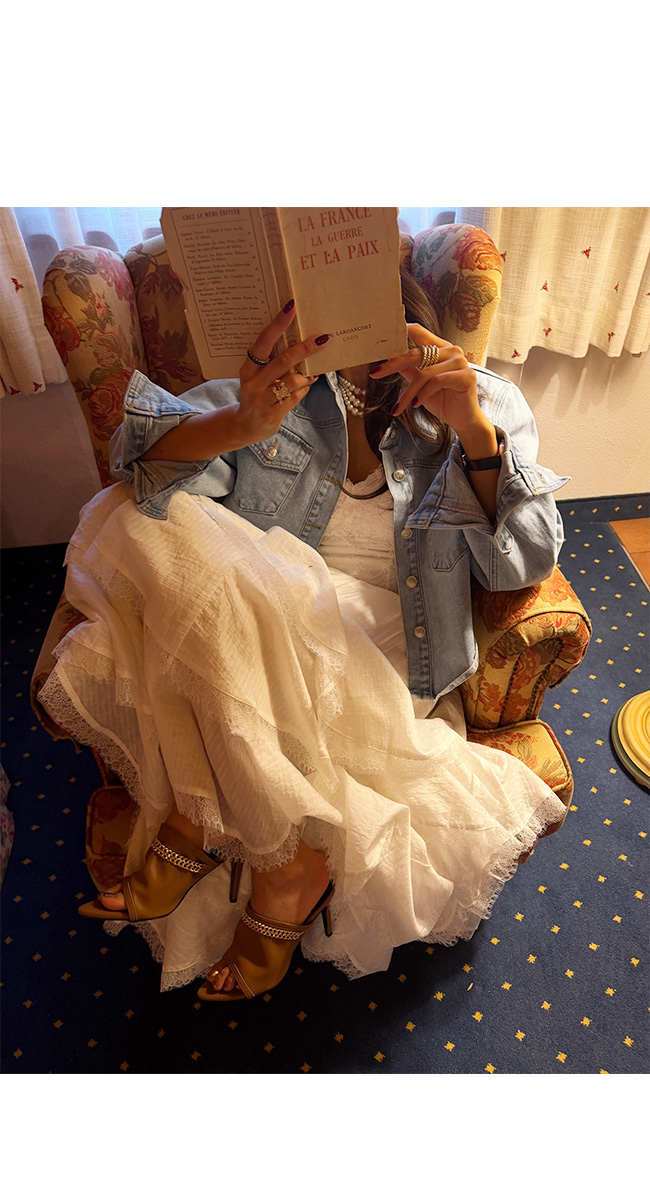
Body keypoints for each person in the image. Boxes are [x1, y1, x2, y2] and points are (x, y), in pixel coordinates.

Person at [39, 267, 569, 1001]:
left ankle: (203, 817)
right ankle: (285, 863)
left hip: (390, 648)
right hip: (262, 629)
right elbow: (139, 466)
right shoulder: (272, 384)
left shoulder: (479, 396)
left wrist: (475, 434)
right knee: (129, 515)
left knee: (205, 609)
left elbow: (527, 561)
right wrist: (241, 423)